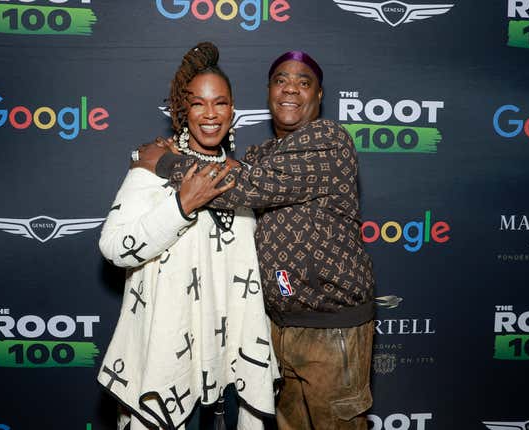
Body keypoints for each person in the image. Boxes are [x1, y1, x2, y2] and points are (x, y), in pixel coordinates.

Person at [142, 50, 375, 430]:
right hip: (275, 326)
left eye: (304, 82)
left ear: (319, 96)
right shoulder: (262, 153)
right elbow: (236, 170)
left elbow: (246, 186)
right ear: (269, 92)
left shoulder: (328, 139)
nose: (291, 90)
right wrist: (182, 150)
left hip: (332, 329)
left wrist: (163, 161)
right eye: (282, 80)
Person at [97, 42, 279, 430]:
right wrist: (179, 207)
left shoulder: (245, 178)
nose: (210, 114)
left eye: (221, 103)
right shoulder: (151, 167)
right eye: (198, 104)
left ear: (233, 110)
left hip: (229, 361)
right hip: (167, 356)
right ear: (183, 112)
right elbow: (113, 248)